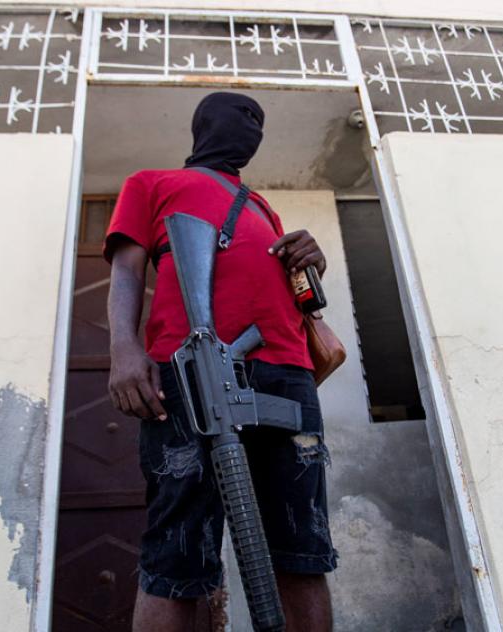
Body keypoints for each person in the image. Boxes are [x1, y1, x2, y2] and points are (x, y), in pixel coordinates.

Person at [103, 91, 337, 632]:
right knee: (177, 550)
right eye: (240, 118)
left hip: (286, 371)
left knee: (303, 545)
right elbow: (127, 272)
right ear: (202, 127)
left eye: (259, 123)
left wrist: (311, 262)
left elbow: (293, 296)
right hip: (191, 370)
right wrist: (123, 349)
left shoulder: (260, 206)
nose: (251, 129)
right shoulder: (152, 183)